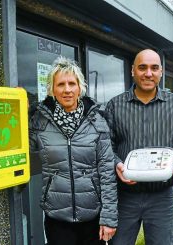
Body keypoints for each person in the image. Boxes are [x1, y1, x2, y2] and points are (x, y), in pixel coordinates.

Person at [105, 49, 173, 245]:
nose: (148, 73)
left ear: (161, 71)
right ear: (133, 71)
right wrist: (117, 163)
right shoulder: (115, 105)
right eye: (142, 67)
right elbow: (106, 145)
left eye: (154, 68)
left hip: (161, 196)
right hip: (124, 196)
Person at [29, 56, 118, 245]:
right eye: (61, 84)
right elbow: (20, 147)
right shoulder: (40, 122)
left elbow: (107, 172)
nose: (67, 89)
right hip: (57, 218)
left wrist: (108, 218)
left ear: (80, 87)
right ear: (52, 89)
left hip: (92, 217)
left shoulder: (97, 121)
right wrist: (20, 108)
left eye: (72, 83)